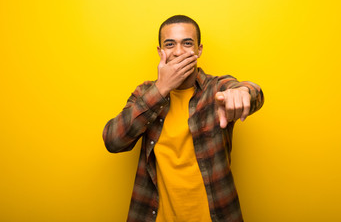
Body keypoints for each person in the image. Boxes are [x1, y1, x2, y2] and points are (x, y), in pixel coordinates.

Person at [102, 15, 264, 222]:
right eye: (170, 44)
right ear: (160, 52)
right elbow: (113, 141)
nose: (178, 52)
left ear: (199, 50)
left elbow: (251, 91)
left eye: (187, 43)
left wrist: (243, 93)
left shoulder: (216, 89)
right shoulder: (145, 93)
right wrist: (161, 89)